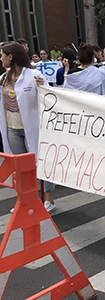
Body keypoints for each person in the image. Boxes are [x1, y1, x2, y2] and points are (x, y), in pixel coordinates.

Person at [0, 42, 56, 212]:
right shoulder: (3, 78)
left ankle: (49, 201)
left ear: (11, 56)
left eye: (2, 55)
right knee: (20, 169)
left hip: (32, 128)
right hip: (12, 128)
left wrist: (43, 87)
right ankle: (24, 201)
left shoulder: (34, 75)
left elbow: (49, 99)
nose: (0, 58)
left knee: (41, 163)